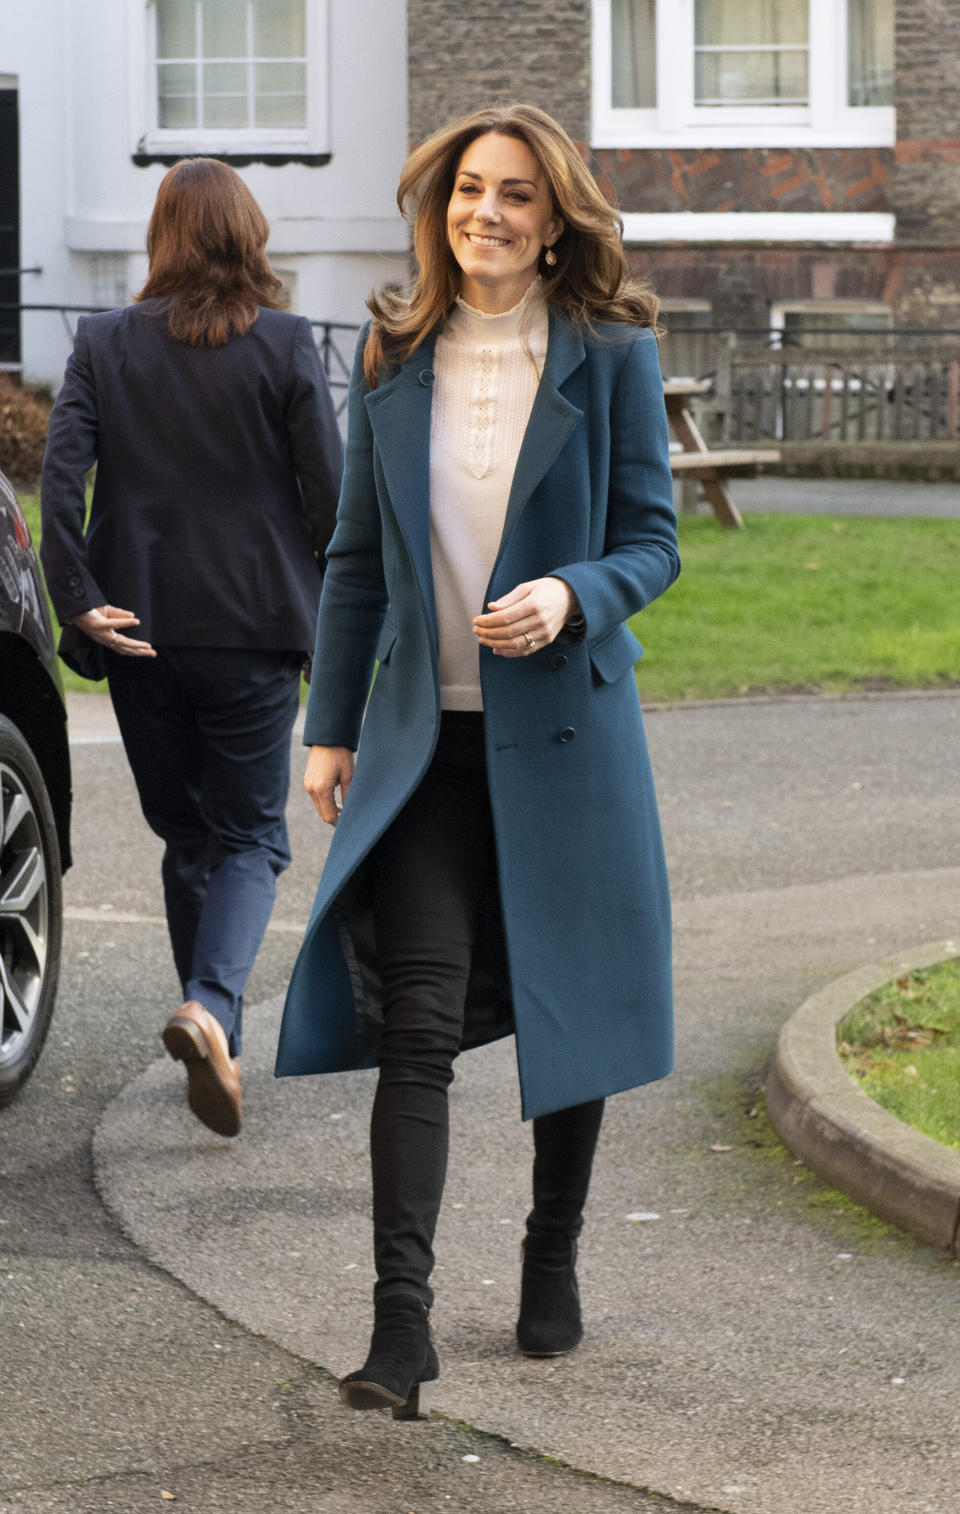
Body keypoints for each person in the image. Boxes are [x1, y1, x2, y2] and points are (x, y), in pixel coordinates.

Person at [275, 102, 679, 1417]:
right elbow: (350, 561)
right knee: (419, 1025)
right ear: (437, 210)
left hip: (565, 738)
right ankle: (403, 1326)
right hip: (426, 750)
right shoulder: (394, 355)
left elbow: (653, 541)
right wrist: (328, 724)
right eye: (465, 193)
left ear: (555, 217)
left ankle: (551, 1247)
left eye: (513, 195)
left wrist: (572, 595)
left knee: (575, 1006)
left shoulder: (611, 353)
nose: (485, 215)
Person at [41, 158, 342, 1139]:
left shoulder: (102, 343)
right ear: (249, 236)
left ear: (160, 238)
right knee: (252, 835)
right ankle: (210, 1006)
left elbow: (58, 484)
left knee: (189, 836)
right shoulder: (291, 345)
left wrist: (77, 599)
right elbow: (330, 503)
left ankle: (212, 1030)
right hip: (255, 629)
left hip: (137, 629)